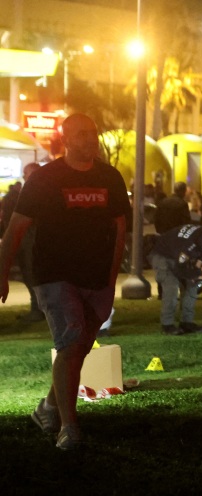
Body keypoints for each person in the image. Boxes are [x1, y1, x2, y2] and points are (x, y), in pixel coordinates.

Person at [0, 113, 131, 451]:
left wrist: (112, 277)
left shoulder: (110, 177)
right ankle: (68, 428)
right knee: (71, 344)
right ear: (66, 138)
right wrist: (2, 274)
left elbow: (119, 230)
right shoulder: (46, 178)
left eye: (94, 133)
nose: (91, 139)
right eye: (82, 134)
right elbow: (15, 229)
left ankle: (47, 406)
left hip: (97, 276)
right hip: (54, 275)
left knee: (80, 346)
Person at [149, 224, 202, 335]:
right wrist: (200, 272)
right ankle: (167, 325)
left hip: (178, 257)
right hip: (163, 257)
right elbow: (179, 270)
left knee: (192, 286)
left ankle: (187, 323)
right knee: (171, 287)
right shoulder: (188, 244)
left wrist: (197, 272)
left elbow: (199, 256)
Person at [15, 163, 45, 321]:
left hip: (33, 239)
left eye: (26, 173)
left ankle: (38, 309)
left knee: (33, 273)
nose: (24, 175)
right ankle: (38, 308)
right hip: (28, 238)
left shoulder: (38, 192)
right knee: (29, 273)